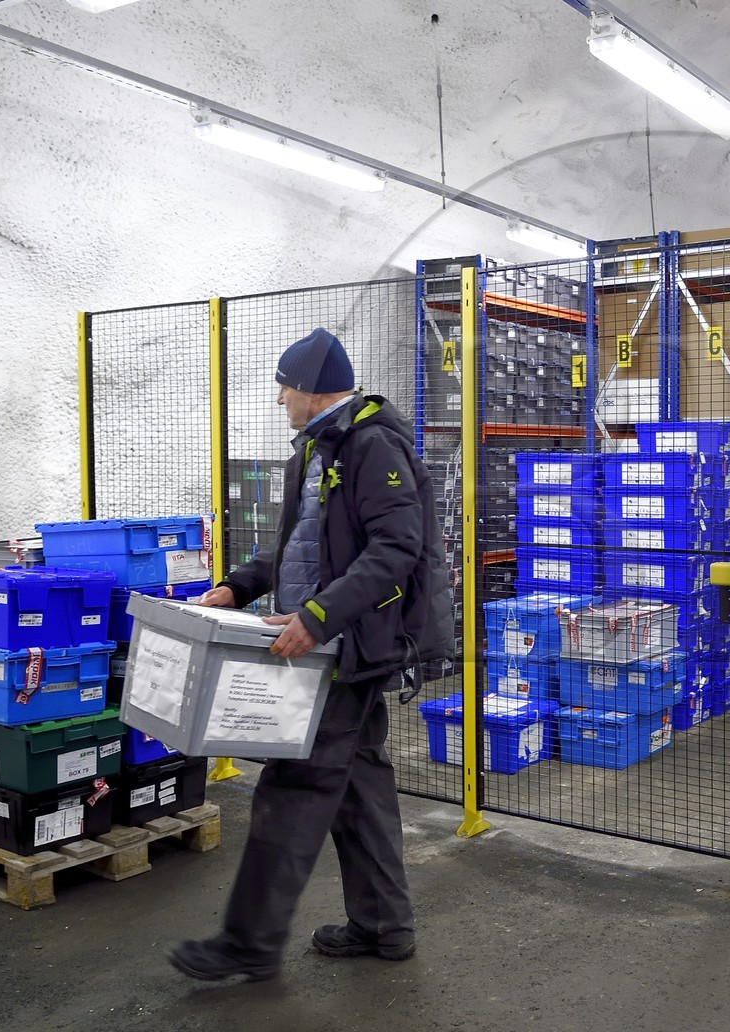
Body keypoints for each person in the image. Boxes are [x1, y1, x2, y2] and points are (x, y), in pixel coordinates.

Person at [169, 327, 436, 982]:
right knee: (359, 790)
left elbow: (396, 549)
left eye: (284, 387)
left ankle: (248, 944)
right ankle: (384, 927)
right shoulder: (317, 453)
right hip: (331, 647)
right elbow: (295, 549)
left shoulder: (372, 447)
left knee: (290, 792)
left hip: (344, 653)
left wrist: (318, 618)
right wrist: (238, 585)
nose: (281, 399)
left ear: (309, 389)